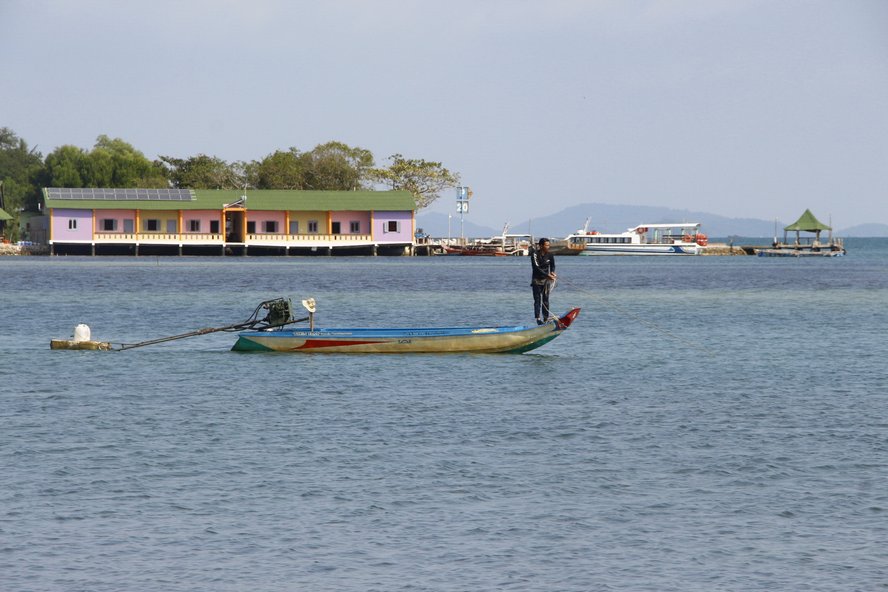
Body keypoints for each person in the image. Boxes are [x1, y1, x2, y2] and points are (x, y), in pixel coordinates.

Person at [530, 237, 557, 324]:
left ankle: (545, 319)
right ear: (541, 245)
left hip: (546, 281)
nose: (548, 247)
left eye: (549, 245)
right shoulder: (534, 254)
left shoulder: (550, 255)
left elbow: (552, 266)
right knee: (537, 300)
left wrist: (552, 273)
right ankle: (538, 319)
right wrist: (547, 275)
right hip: (536, 281)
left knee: (546, 300)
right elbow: (536, 267)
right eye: (546, 245)